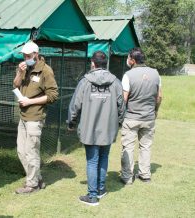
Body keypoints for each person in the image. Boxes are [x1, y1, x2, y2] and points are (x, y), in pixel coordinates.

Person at [68, 51, 125, 206]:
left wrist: (71, 122)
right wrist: (119, 123)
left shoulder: (85, 82)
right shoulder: (115, 82)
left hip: (90, 129)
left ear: (93, 63)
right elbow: (122, 107)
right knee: (103, 157)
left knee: (92, 161)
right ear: (105, 63)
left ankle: (92, 196)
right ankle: (100, 189)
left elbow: (75, 105)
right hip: (108, 129)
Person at [13, 41, 58, 194]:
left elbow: (53, 95)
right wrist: (19, 72)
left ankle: (32, 185)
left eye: (28, 56)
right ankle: (37, 179)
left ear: (36, 54)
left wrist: (30, 101)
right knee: (21, 151)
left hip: (35, 117)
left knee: (31, 151)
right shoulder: (24, 67)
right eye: (24, 56)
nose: (26, 58)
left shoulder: (46, 71)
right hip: (23, 116)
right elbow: (15, 85)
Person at [120, 47, 162, 185]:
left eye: (128, 58)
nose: (127, 60)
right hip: (149, 118)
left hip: (131, 118)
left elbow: (124, 99)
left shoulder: (128, 75)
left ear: (132, 60)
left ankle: (127, 177)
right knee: (146, 147)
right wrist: (155, 111)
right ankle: (145, 175)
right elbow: (159, 96)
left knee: (128, 147)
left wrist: (119, 116)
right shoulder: (156, 74)